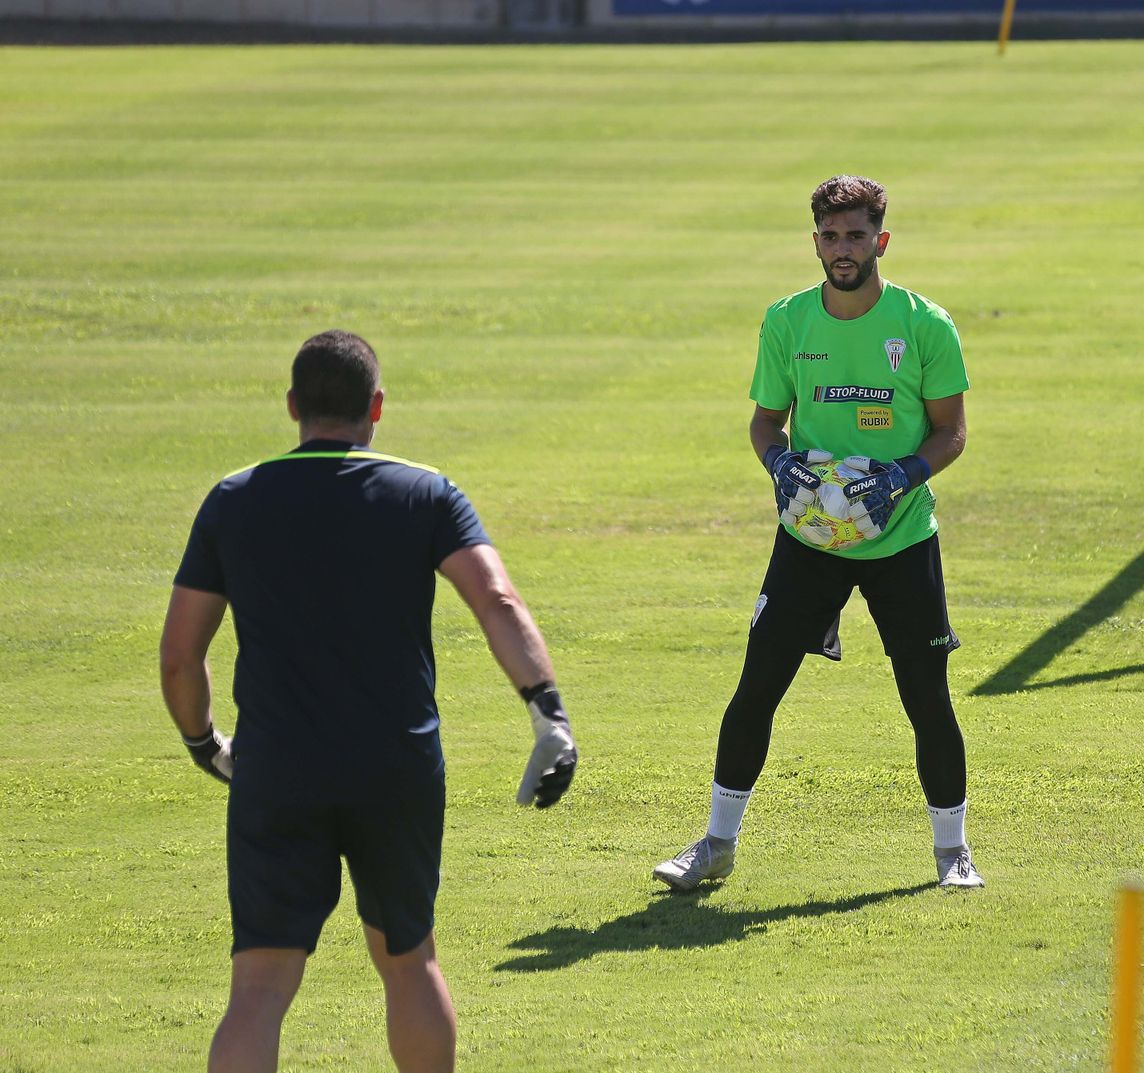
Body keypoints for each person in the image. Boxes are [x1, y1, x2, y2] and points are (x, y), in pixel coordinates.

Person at [159, 329, 578, 1073]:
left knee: (257, 988)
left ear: (292, 406)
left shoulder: (233, 499)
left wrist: (204, 743)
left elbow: (180, 655)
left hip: (276, 768)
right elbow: (498, 601)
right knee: (409, 960)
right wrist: (548, 712)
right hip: (396, 765)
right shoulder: (425, 492)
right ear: (376, 406)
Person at [653, 175, 981, 892]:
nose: (842, 249)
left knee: (926, 695)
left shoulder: (924, 324)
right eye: (830, 237)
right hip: (809, 538)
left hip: (899, 538)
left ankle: (952, 851)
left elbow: (952, 431)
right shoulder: (787, 321)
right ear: (815, 242)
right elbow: (766, 420)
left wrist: (902, 475)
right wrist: (777, 461)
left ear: (880, 241)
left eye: (856, 235)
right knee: (757, 687)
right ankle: (714, 845)